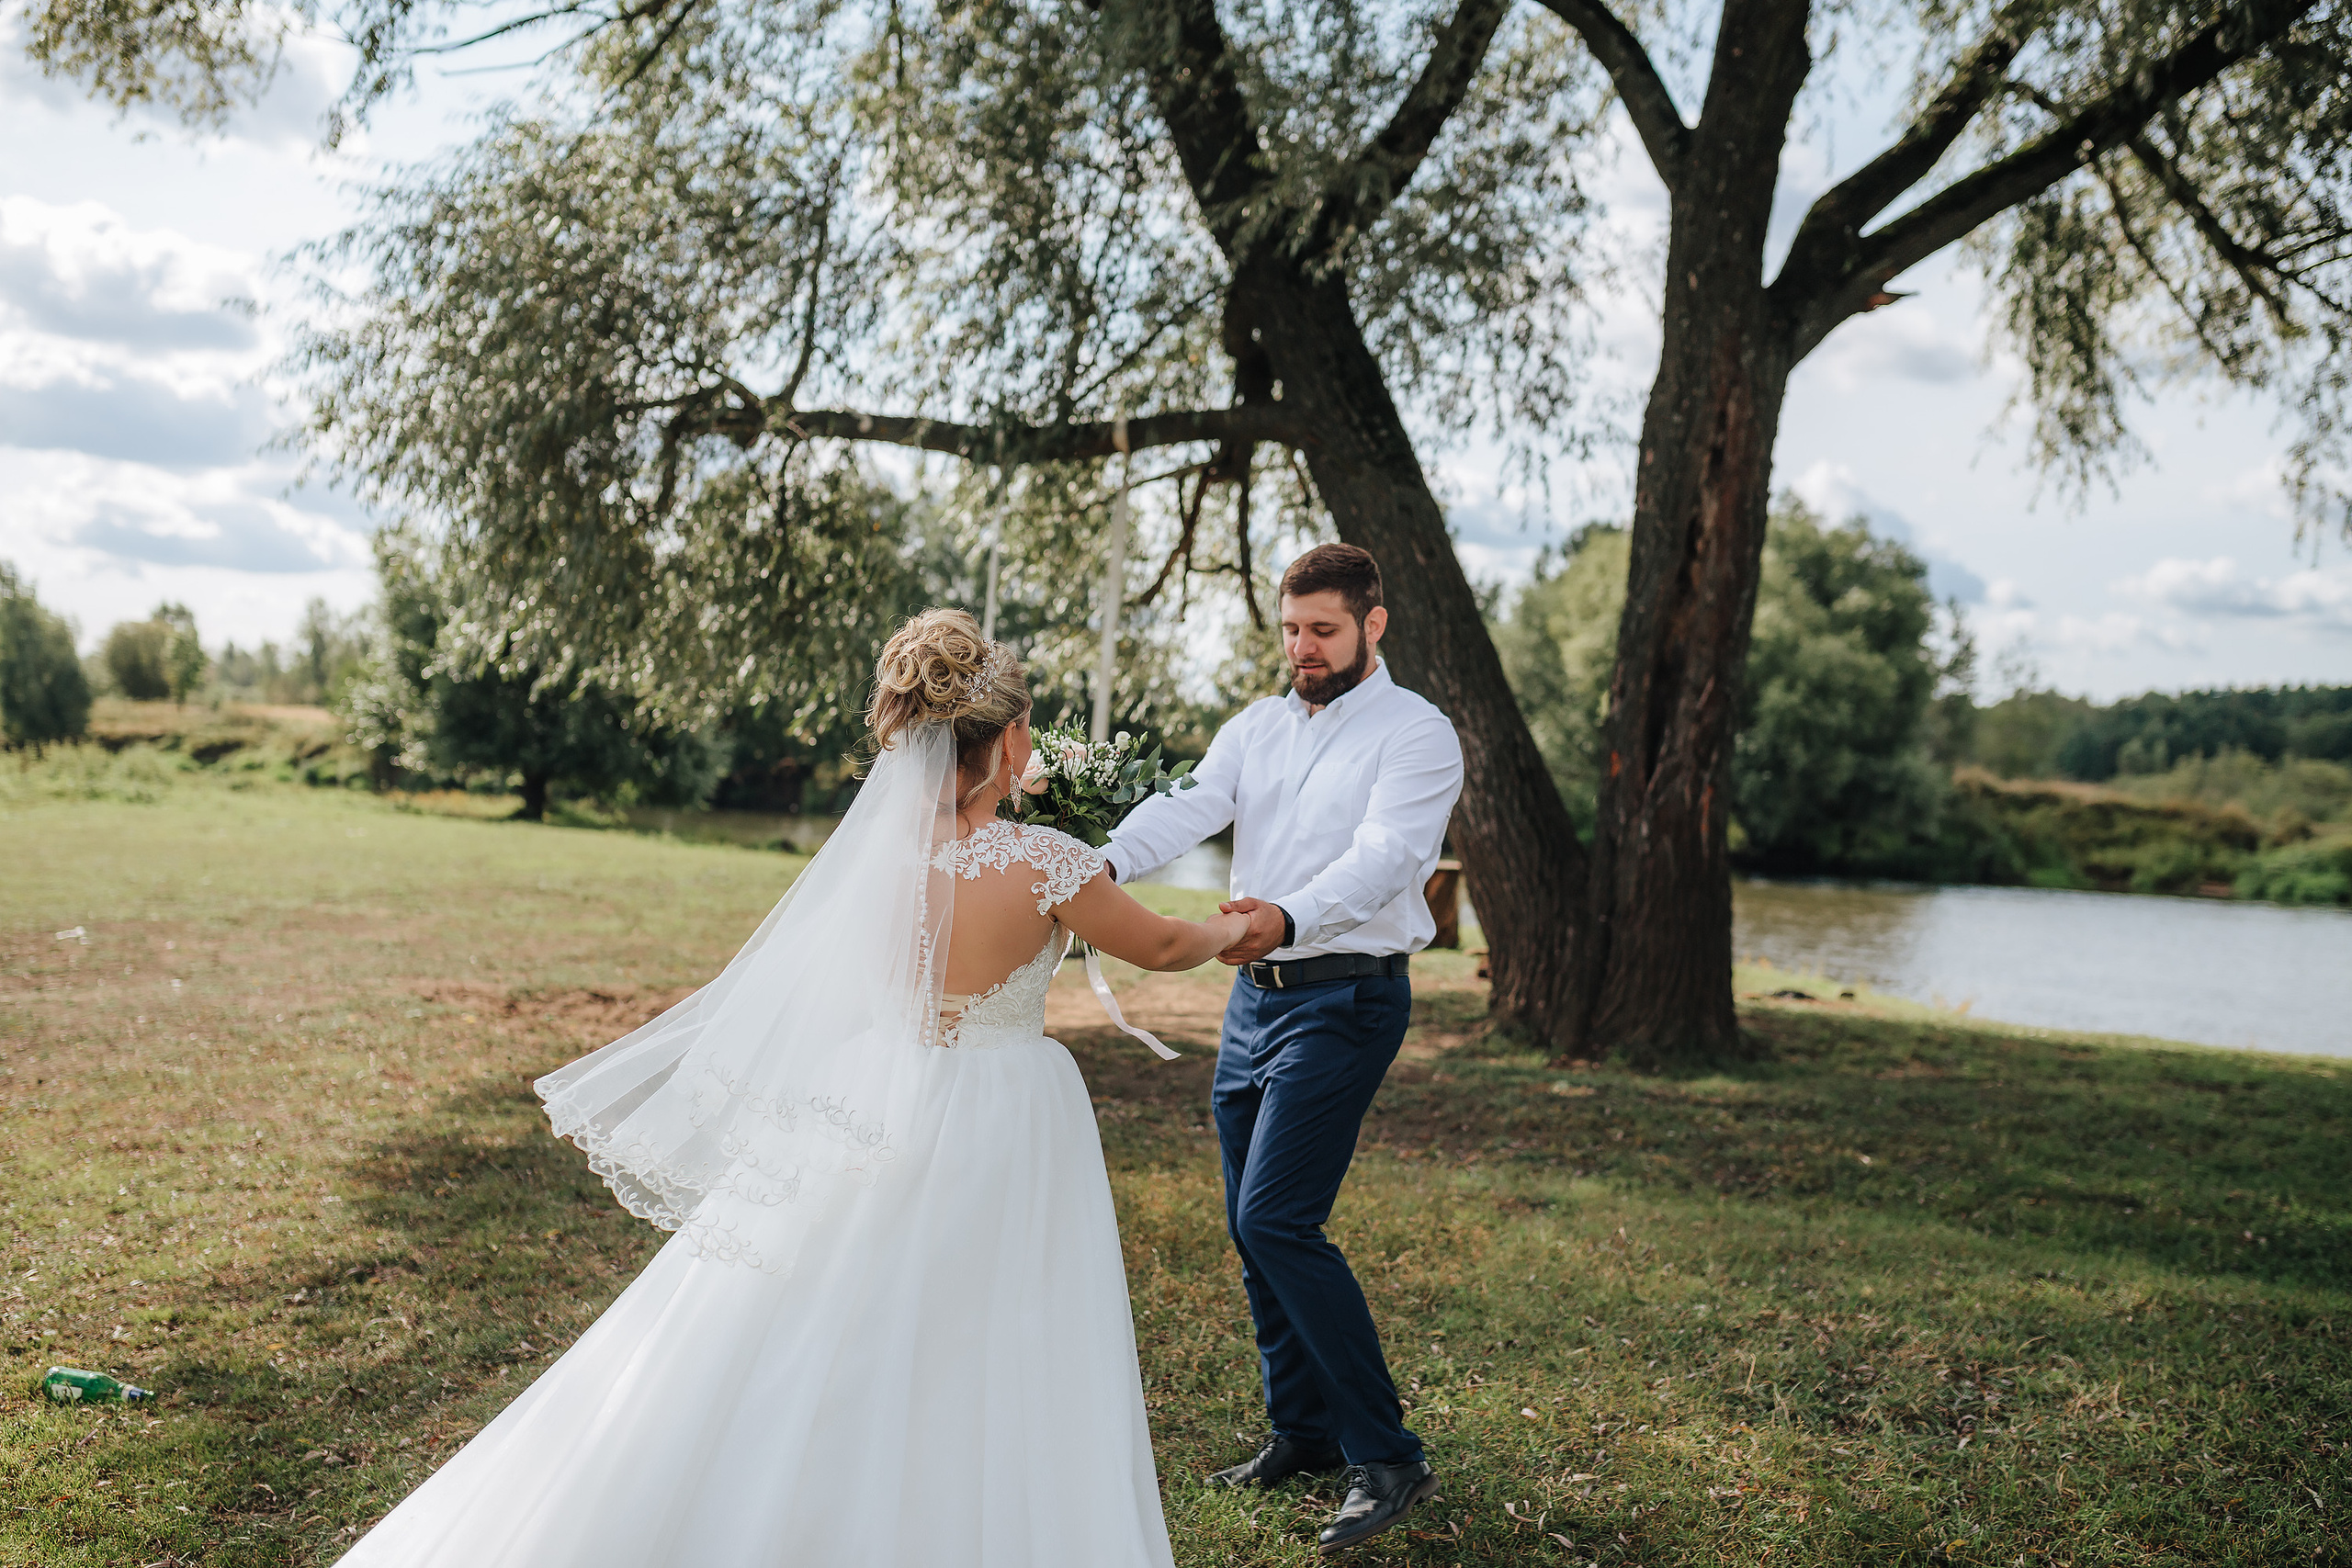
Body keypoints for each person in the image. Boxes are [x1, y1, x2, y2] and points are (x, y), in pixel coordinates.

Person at [334, 610, 1250, 1568]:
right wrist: (1236, 930)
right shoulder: (1046, 861)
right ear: (1012, 739)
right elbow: (1162, 945)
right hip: (1004, 1104)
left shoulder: (871, 864)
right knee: (994, 1315)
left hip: (878, 1083)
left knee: (826, 1292)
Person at [1102, 542, 1465, 1554]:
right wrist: (1087, 868)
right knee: (1246, 1223)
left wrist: (1286, 917)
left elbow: (1387, 855)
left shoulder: (1416, 734)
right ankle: (1301, 1434)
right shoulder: (1256, 727)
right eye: (1292, 631)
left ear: (1372, 624)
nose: (1303, 649)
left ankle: (1388, 1456)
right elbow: (1187, 809)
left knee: (1277, 1220)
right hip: (1252, 1004)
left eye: (1324, 630)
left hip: (1346, 997)